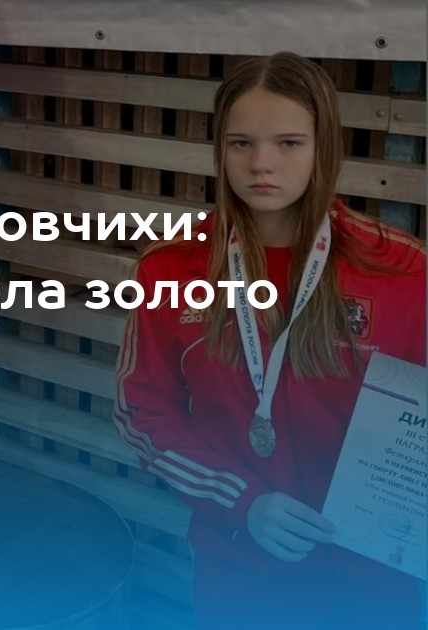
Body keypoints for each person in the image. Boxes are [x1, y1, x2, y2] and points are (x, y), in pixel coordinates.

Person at [114, 52, 426, 628]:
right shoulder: (171, 269)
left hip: (379, 581)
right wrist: (240, 500)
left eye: (288, 143)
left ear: (323, 147)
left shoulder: (403, 270)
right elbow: (141, 412)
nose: (261, 164)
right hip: (240, 572)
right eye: (240, 144)